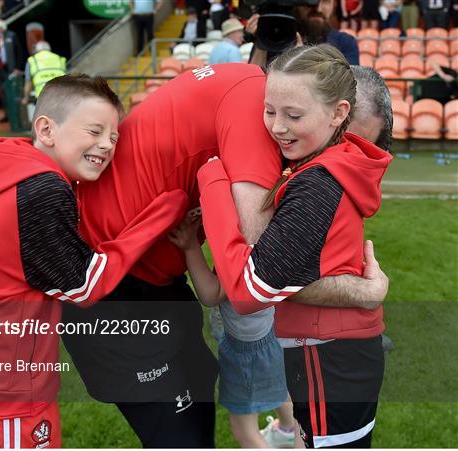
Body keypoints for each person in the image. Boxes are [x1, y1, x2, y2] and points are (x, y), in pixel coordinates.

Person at [62, 62, 390, 448]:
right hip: (113, 287)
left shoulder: (283, 130)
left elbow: (255, 275)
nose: (341, 154)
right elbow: (259, 272)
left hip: (152, 281)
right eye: (342, 141)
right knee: (184, 433)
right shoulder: (258, 116)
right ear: (333, 111)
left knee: (200, 404)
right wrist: (363, 293)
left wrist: (212, 184)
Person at [0, 74, 188, 448]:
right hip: (2, 390)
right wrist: (164, 210)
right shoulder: (42, 189)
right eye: (94, 131)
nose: (106, 145)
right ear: (46, 129)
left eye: (114, 136)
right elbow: (84, 285)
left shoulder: (27, 174)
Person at [197, 44, 392, 448]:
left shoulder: (319, 181)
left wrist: (212, 179)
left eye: (294, 115)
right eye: (269, 111)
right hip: (320, 351)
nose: (277, 127)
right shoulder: (324, 166)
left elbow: (253, 289)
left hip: (325, 355)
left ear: (339, 114)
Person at [169, 215, 296, 448]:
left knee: (244, 430)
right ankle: (288, 432)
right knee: (280, 389)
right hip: (272, 340)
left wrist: (190, 246)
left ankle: (286, 434)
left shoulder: (239, 249)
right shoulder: (274, 243)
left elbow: (210, 294)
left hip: (245, 356)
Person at [0, 18, 23, 122]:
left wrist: (17, 67)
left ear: (1, 28)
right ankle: (7, 115)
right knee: (3, 93)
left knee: (13, 93)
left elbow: (19, 52)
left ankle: (17, 116)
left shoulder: (11, 36)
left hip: (11, 69)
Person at [21, 40, 66, 105]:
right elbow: (67, 79)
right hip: (61, 96)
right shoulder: (59, 58)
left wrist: (26, 98)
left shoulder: (32, 60)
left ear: (36, 50)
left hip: (43, 97)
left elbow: (28, 82)